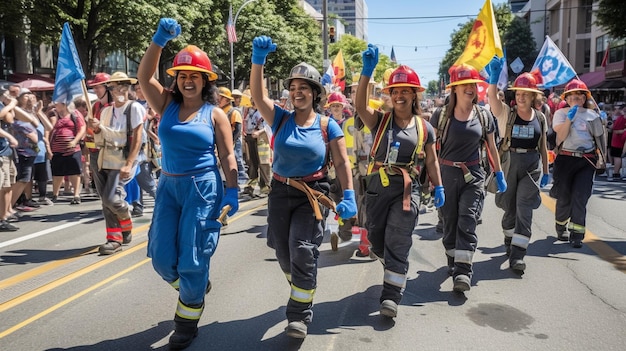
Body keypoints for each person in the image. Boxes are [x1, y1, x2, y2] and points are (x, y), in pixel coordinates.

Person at [138, 18, 239, 350]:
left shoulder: (215, 114)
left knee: (193, 259)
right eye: (182, 75)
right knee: (161, 258)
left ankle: (187, 321)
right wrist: (158, 41)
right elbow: (144, 77)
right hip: (168, 186)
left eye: (194, 75)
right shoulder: (165, 104)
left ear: (205, 80)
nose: (187, 80)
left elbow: (227, 156)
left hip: (202, 188)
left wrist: (233, 189)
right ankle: (194, 287)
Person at [250, 35, 356, 338]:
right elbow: (258, 96)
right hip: (281, 193)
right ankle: (300, 281)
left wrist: (348, 195)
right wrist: (258, 61)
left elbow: (343, 162)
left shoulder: (327, 125)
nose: (297, 93)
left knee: (302, 250)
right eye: (293, 88)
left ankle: (299, 314)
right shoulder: (280, 118)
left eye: (303, 88)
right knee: (282, 251)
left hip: (313, 194)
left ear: (315, 93)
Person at [355, 45, 444, 316]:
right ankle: (391, 263)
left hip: (407, 190)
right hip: (378, 188)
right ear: (390, 95)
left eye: (405, 90)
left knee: (399, 238)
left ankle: (391, 296)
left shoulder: (424, 127)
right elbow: (359, 105)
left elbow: (431, 160)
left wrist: (438, 185)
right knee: (377, 241)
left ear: (415, 94)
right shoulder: (379, 121)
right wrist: (366, 73)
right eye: (395, 91)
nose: (400, 95)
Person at [430, 63, 506, 292]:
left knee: (468, 218)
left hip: (474, 175)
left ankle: (463, 271)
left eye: (472, 84)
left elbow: (492, 148)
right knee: (450, 221)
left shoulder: (484, 116)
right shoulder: (440, 115)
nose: (470, 88)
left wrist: (499, 173)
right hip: (446, 174)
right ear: (454, 88)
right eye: (464, 84)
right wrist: (434, 183)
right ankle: (453, 258)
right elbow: (430, 151)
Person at [487, 59, 549, 275]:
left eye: (526, 93)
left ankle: (518, 255)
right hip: (510, 164)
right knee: (510, 208)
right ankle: (508, 237)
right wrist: (493, 80)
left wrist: (547, 172)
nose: (521, 96)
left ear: (534, 96)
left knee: (525, 208)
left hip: (532, 165)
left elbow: (543, 146)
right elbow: (493, 100)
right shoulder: (506, 113)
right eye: (518, 93)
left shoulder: (540, 117)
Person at [88, 71, 144, 254]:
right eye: (114, 87)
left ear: (128, 88)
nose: (118, 90)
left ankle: (123, 223)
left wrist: (129, 163)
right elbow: (99, 138)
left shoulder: (134, 108)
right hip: (103, 157)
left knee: (111, 198)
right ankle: (116, 236)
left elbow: (137, 138)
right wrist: (95, 128)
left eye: (122, 86)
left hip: (121, 158)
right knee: (105, 201)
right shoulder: (106, 110)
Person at [551, 79, 603, 248]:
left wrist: (600, 122)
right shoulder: (561, 114)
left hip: (586, 160)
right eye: (571, 95)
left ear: (584, 97)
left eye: (579, 95)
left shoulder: (592, 115)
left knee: (580, 196)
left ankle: (577, 234)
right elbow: (561, 136)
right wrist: (569, 119)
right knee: (564, 196)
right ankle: (561, 224)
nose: (575, 98)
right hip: (566, 158)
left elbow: (600, 139)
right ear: (566, 98)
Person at [325, 91, 355, 249]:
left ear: (343, 107)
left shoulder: (350, 124)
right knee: (334, 200)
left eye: (338, 105)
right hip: (331, 170)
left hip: (349, 168)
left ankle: (344, 229)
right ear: (329, 108)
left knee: (348, 198)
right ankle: (337, 230)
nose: (336, 109)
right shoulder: (324, 124)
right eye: (333, 106)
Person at [218, 87, 248, 184]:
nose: (217, 99)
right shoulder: (219, 111)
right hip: (223, 140)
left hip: (234, 140)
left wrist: (232, 141)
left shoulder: (233, 112)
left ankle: (242, 179)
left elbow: (238, 129)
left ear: (226, 100)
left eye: (219, 97)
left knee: (237, 158)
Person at [0, 91, 19, 231]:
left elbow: (10, 119)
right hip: (1, 152)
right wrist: (11, 104)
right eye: (8, 93)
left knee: (8, 184)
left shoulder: (4, 106)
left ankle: (4, 215)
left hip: (7, 151)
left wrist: (11, 106)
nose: (10, 96)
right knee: (2, 186)